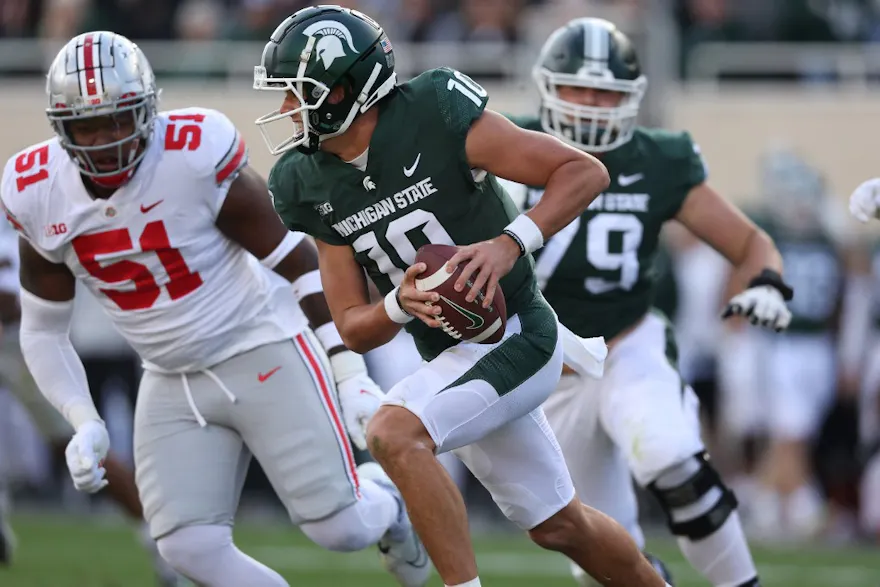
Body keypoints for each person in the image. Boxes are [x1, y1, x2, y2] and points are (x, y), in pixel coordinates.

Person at [254, 6, 672, 587]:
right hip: (450, 355)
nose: (285, 111)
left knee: (391, 433)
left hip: (519, 333)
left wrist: (509, 243)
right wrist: (399, 304)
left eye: (298, 94)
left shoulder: (434, 111)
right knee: (560, 527)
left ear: (345, 88)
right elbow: (351, 325)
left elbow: (583, 172)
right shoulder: (304, 182)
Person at [0, 30, 428, 587]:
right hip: (169, 374)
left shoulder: (192, 155)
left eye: (118, 120)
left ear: (147, 112)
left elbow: (295, 263)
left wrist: (347, 371)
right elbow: (42, 330)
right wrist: (82, 420)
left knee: (341, 529)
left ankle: (388, 504)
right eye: (88, 125)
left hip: (259, 345)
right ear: (61, 129)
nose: (105, 140)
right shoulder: (37, 192)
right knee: (185, 547)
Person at [508, 17, 794, 587]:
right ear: (547, 89)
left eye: (604, 92)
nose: (590, 104)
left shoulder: (656, 158)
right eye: (577, 89)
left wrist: (766, 280)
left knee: (669, 456)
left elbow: (749, 242)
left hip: (626, 346)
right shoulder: (507, 147)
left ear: (631, 99)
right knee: (602, 559)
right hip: (548, 369)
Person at [0, 208, 180, 583]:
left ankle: (158, 539)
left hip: (15, 344)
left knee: (76, 439)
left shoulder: (24, 210)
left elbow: (11, 301)